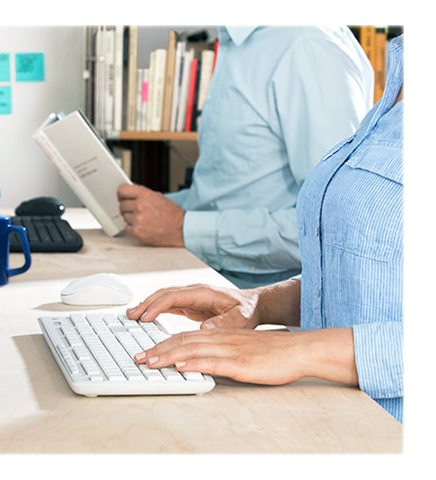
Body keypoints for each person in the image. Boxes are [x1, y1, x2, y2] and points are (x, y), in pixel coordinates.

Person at [126, 34, 404, 423]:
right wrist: (260, 303)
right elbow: (376, 279)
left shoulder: (309, 45)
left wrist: (301, 350)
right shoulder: (400, 82)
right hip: (332, 409)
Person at [118, 26, 374, 288]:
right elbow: (229, 194)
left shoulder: (309, 46)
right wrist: (148, 209)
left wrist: (182, 227)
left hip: (266, 301)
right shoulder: (237, 42)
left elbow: (333, 226)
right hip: (210, 278)